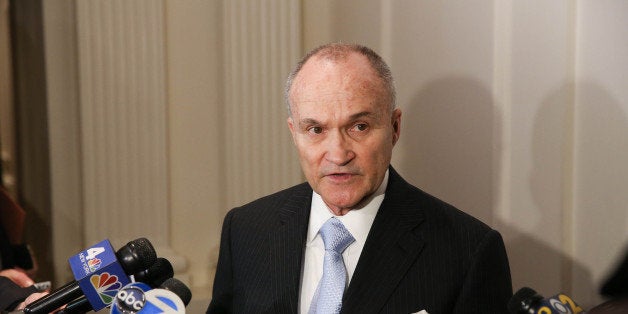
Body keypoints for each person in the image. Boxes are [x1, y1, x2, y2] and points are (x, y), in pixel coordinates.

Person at [207, 43, 512, 314]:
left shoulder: (469, 251)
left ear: (394, 128)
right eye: (316, 130)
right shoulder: (245, 230)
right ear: (294, 133)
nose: (338, 154)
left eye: (360, 127)